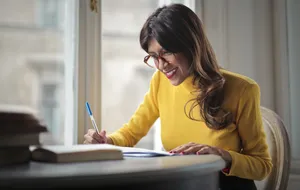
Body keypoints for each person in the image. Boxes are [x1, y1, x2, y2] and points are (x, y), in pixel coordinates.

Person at [84, 3, 272, 190]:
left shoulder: (243, 89)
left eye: (166, 52)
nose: (160, 65)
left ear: (190, 46)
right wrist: (107, 142)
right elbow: (131, 133)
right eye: (153, 56)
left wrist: (224, 156)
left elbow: (262, 166)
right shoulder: (160, 81)